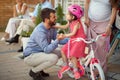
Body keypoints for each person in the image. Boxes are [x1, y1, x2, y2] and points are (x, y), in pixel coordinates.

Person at [23, 8, 65, 80]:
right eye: (53, 17)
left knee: (62, 51)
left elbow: (58, 39)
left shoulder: (51, 27)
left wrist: (72, 40)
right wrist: (58, 40)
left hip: (40, 52)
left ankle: (40, 70)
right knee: (54, 58)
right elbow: (47, 50)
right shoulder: (40, 31)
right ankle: (34, 72)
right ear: (46, 20)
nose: (56, 18)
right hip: (30, 56)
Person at [84, 0, 118, 73]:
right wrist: (86, 17)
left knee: (102, 48)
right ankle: (92, 67)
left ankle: (101, 71)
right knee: (91, 46)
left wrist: (109, 25)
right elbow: (87, 2)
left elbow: (114, 9)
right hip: (91, 22)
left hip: (105, 23)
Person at [55, 4, 86, 79]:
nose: (66, 15)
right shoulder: (70, 21)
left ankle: (75, 70)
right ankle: (66, 65)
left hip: (79, 41)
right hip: (73, 40)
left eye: (68, 14)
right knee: (63, 50)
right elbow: (65, 26)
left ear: (72, 17)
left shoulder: (77, 23)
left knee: (72, 55)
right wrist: (56, 26)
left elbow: (73, 33)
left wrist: (64, 36)